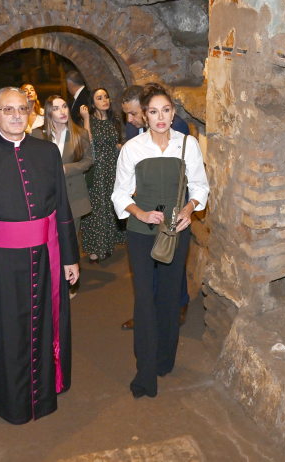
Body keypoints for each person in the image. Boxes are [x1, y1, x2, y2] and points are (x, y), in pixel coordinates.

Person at [0, 86, 80, 425]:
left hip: (45, 257)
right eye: (7, 110)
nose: (15, 116)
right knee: (7, 334)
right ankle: (9, 402)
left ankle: (43, 393)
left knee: (42, 325)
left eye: (21, 110)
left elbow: (62, 208)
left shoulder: (47, 152)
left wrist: (70, 257)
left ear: (29, 113)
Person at [111, 84, 209, 399]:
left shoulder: (187, 145)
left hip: (176, 233)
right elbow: (119, 194)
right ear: (144, 115)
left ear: (172, 111)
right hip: (141, 236)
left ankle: (166, 360)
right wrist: (139, 212)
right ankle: (145, 372)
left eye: (166, 110)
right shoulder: (133, 148)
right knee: (144, 299)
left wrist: (189, 208)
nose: (160, 117)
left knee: (169, 299)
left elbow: (199, 185)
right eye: (153, 112)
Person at [120, 84, 192, 330]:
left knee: (170, 269)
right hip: (144, 216)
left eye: (132, 113)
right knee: (146, 282)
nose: (129, 120)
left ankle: (176, 307)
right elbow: (127, 183)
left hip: (172, 212)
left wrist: (187, 207)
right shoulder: (134, 136)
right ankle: (147, 314)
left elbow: (186, 181)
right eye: (153, 112)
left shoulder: (181, 134)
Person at [80, 87, 125, 262]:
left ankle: (106, 244)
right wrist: (85, 120)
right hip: (96, 169)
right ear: (92, 103)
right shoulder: (89, 120)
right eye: (99, 98)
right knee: (96, 207)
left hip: (111, 168)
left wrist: (118, 148)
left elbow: (114, 141)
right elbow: (87, 142)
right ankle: (94, 247)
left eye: (106, 96)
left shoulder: (114, 120)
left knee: (109, 205)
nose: (104, 100)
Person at [36, 96, 93, 235]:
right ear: (49, 113)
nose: (62, 111)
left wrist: (66, 169)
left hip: (73, 195)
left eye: (64, 106)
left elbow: (88, 161)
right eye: (56, 108)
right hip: (47, 196)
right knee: (48, 239)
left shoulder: (80, 133)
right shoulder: (37, 134)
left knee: (70, 240)